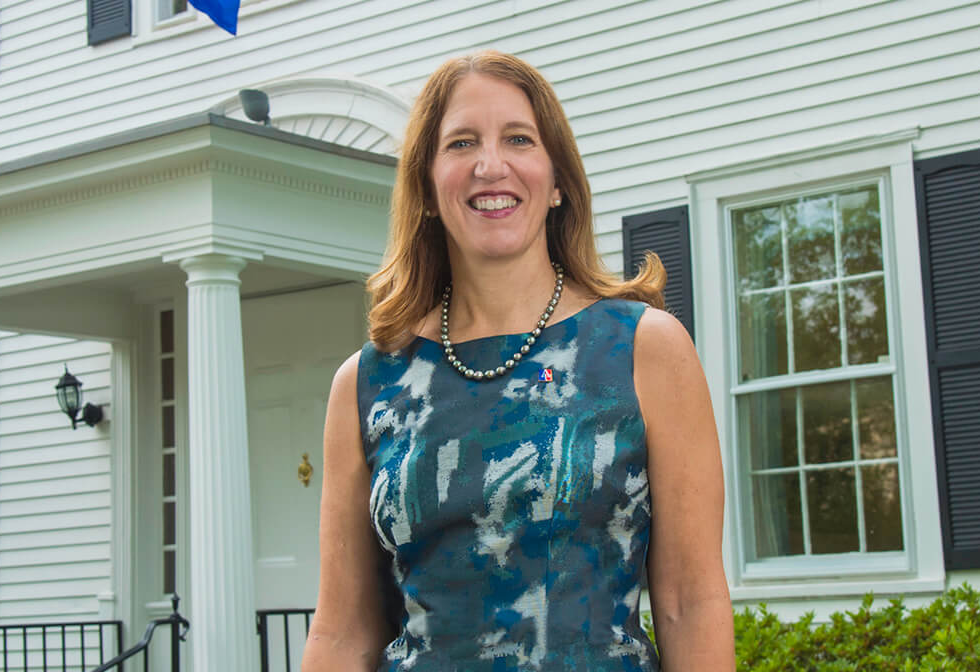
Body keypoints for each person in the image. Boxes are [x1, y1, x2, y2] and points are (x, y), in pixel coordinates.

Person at [301, 50, 733, 671]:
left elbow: (691, 603)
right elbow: (342, 633)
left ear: (558, 181)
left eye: (518, 139)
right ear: (425, 187)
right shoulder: (366, 382)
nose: (490, 165)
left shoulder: (645, 348)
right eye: (461, 144)